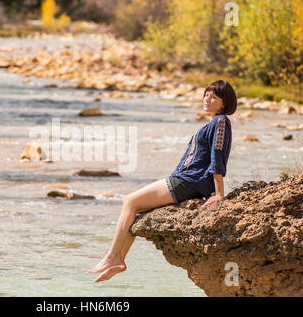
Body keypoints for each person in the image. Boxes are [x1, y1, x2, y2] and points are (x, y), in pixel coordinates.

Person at [88, 80, 237, 283]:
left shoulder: (220, 122)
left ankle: (112, 257)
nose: (207, 99)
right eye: (206, 94)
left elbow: (217, 157)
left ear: (224, 103)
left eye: (214, 97)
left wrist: (219, 194)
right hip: (186, 179)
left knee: (130, 201)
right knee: (136, 210)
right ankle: (119, 260)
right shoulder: (212, 123)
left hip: (188, 182)